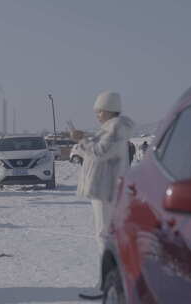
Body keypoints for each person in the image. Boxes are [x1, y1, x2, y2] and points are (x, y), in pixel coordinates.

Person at [73, 91, 134, 298]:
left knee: (104, 236)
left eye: (99, 110)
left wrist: (81, 140)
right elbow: (102, 147)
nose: (97, 114)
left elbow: (101, 152)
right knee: (107, 235)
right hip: (108, 189)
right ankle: (109, 281)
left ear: (108, 109)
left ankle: (105, 283)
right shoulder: (112, 128)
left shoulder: (115, 127)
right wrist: (86, 138)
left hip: (106, 190)